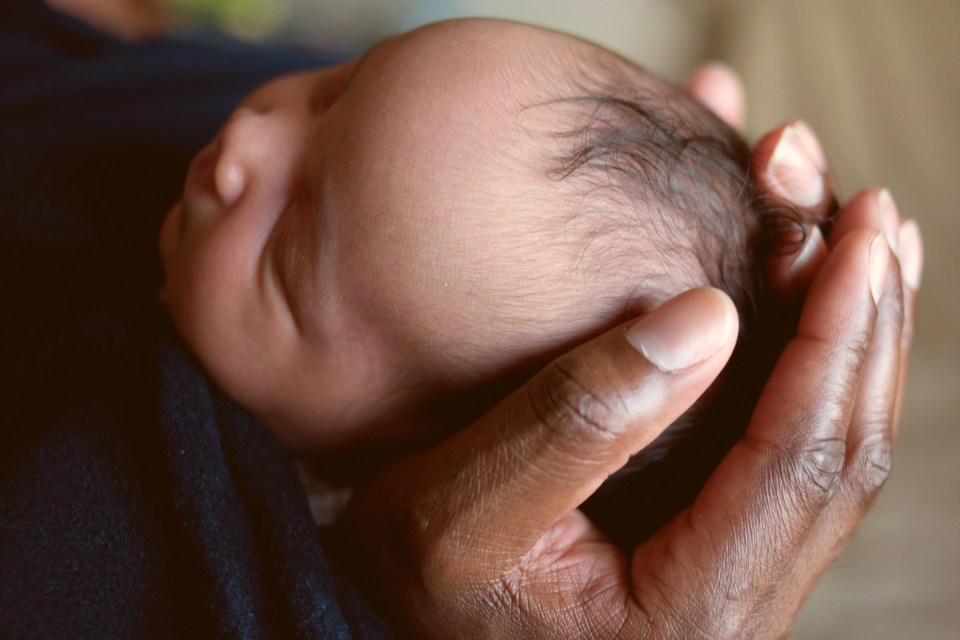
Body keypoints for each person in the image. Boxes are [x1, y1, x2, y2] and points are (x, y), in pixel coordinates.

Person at [0, 3, 921, 639]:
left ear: (383, 461)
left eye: (286, 249)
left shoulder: (150, 517)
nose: (242, 142)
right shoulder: (353, 194)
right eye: (335, 87)